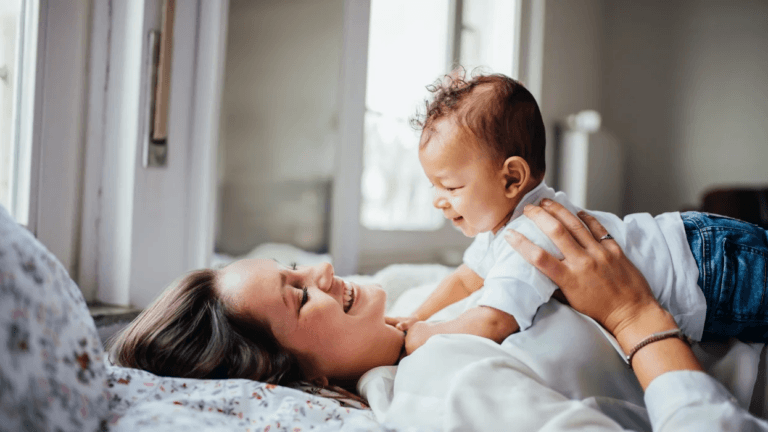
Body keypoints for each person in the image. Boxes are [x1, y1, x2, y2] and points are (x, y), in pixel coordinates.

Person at [388, 71, 768, 357]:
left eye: (451, 187)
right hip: (699, 248)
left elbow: (494, 320)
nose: (438, 200)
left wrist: (427, 335)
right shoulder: (500, 228)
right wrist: (415, 316)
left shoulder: (533, 233)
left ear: (511, 179)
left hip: (710, 270)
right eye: (434, 186)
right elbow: (467, 280)